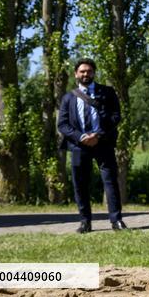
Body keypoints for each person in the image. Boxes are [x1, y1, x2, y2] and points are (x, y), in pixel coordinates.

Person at [57, 58, 126, 233]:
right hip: (79, 146)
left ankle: (116, 220)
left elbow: (115, 116)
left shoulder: (108, 92)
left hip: (103, 143)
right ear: (76, 74)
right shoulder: (68, 98)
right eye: (82, 71)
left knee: (110, 182)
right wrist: (81, 137)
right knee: (80, 184)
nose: (85, 74)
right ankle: (85, 222)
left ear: (94, 73)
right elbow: (63, 124)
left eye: (89, 71)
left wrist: (99, 135)